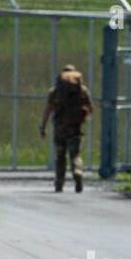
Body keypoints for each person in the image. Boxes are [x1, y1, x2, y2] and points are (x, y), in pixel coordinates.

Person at [39, 64, 93, 193]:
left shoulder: (54, 91)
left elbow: (48, 110)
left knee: (60, 156)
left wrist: (43, 126)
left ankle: (59, 183)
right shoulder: (82, 90)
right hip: (75, 127)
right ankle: (77, 171)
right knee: (75, 154)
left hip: (59, 128)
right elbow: (90, 107)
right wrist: (85, 117)